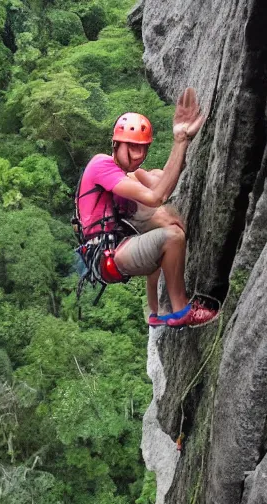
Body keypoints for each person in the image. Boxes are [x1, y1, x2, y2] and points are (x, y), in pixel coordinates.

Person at [76, 87, 218, 327]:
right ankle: (181, 309)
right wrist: (180, 141)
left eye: (142, 148)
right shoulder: (101, 165)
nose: (137, 155)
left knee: (164, 221)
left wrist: (184, 142)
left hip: (117, 252)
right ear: (116, 144)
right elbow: (156, 196)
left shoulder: (132, 174)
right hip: (107, 256)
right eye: (131, 147)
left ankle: (157, 312)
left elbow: (162, 181)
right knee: (172, 236)